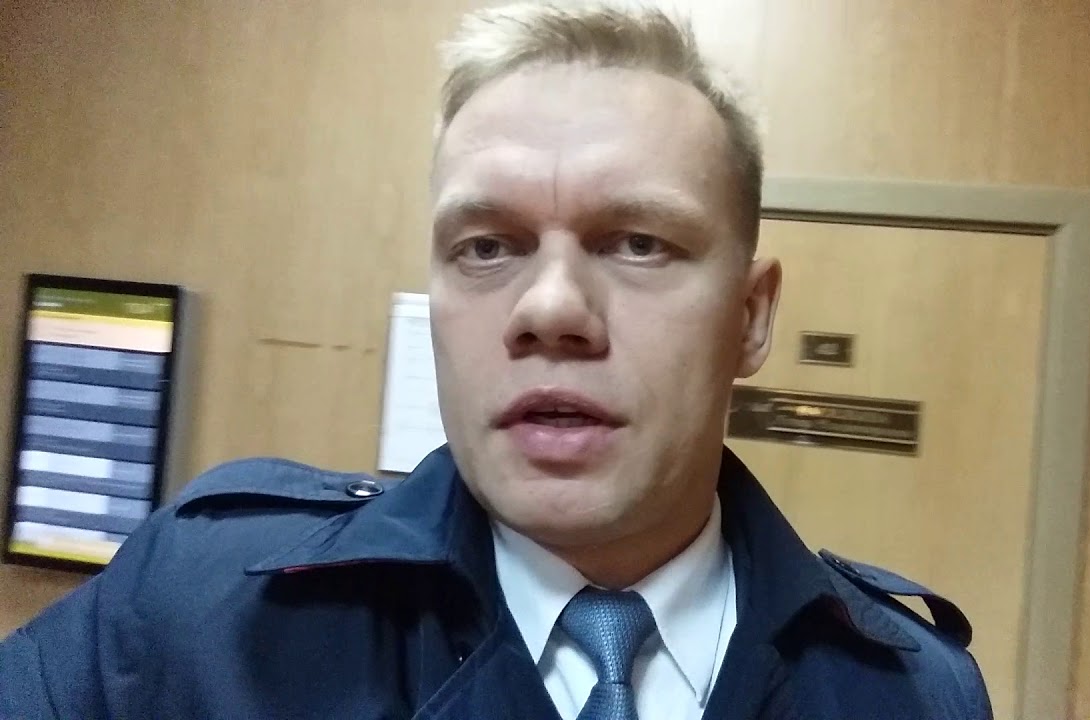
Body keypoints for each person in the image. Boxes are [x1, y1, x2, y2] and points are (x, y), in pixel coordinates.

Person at [0, 3, 992, 719]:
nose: (549, 309)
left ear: (750, 317)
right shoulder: (200, 607)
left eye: (637, 242)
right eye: (486, 247)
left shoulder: (910, 690)